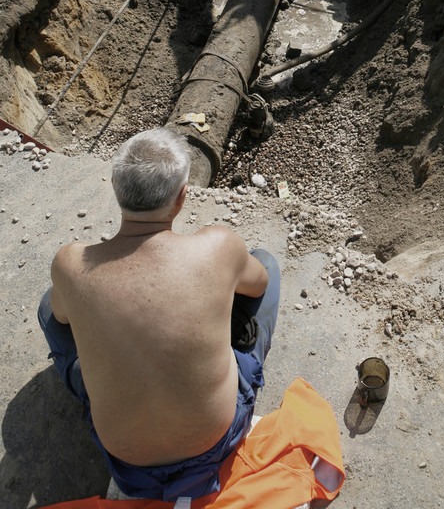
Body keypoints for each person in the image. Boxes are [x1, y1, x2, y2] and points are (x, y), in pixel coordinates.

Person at [38, 127, 280, 502]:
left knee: (49, 305)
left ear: (117, 190)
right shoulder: (218, 246)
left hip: (128, 465)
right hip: (217, 443)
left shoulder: (71, 264)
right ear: (182, 197)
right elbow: (259, 284)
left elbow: (60, 316)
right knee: (264, 263)